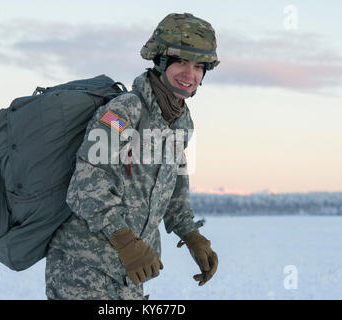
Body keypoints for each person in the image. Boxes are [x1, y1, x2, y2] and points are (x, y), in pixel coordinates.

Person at [45, 12, 220, 300]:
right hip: (83, 268)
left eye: (199, 66)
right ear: (160, 61)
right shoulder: (123, 113)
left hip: (131, 274)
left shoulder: (182, 123)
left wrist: (191, 235)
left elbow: (174, 187)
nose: (191, 74)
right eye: (181, 62)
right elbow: (86, 185)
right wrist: (124, 240)